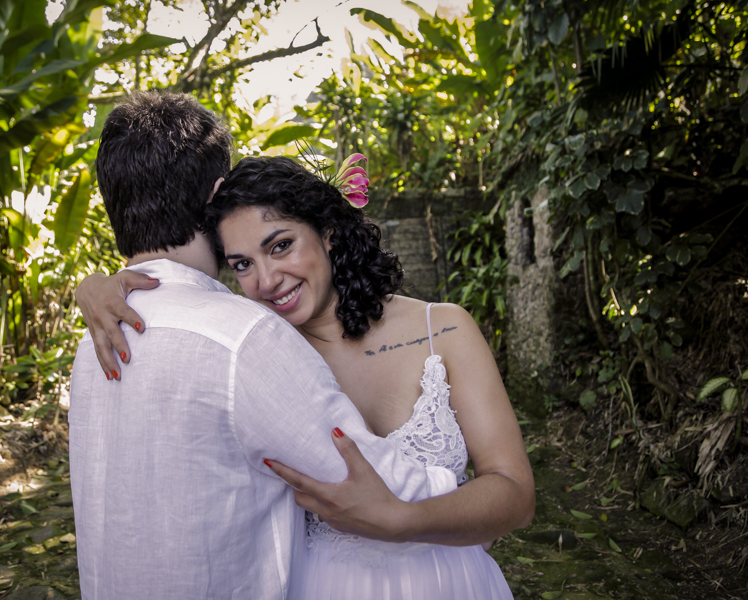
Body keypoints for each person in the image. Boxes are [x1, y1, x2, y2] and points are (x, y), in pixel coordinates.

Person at [78, 155, 535, 598]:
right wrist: (101, 284)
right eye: (242, 264)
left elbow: (516, 496)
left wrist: (404, 521)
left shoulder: (444, 329)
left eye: (280, 246)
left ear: (327, 232)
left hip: (452, 583)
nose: (267, 280)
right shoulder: (258, 360)